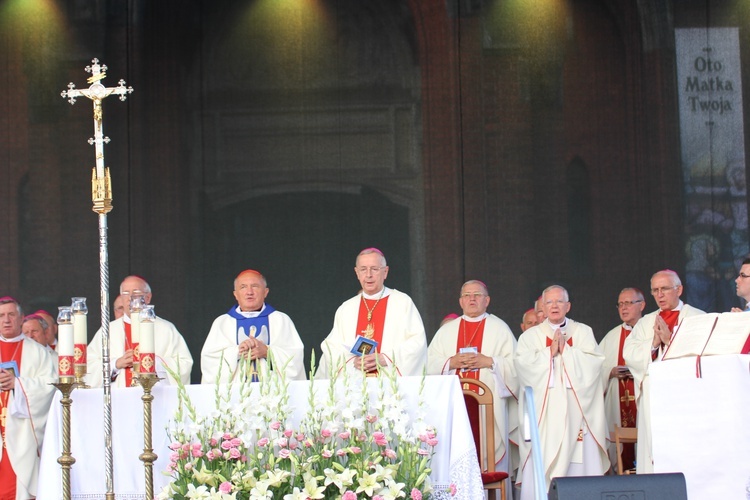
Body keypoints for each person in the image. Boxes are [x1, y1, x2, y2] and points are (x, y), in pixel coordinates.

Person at [514, 285, 608, 499]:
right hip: (545, 412)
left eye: (559, 302)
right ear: (542, 308)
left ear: (568, 306)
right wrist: (550, 353)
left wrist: (567, 351)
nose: (554, 306)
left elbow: (595, 364)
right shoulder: (531, 337)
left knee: (580, 459)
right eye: (549, 302)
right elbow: (523, 367)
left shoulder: (583, 332)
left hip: (577, 408)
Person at [427, 280, 519, 483]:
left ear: (487, 300)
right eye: (467, 295)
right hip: (454, 409)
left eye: (477, 295)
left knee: (490, 458)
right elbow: (427, 364)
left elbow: (516, 367)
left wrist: (490, 362)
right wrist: (451, 362)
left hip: (490, 413)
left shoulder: (499, 329)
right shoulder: (447, 331)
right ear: (460, 301)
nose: (472, 299)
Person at [623, 269, 705, 474]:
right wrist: (653, 344)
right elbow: (630, 353)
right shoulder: (645, 323)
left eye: (665, 289)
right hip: (655, 394)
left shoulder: (697, 318)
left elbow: (703, 356)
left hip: (687, 395)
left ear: (679, 289)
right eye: (655, 290)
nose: (659, 295)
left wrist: (670, 342)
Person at [315, 248, 427, 378]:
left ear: (385, 272)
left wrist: (386, 358)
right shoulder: (346, 308)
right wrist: (351, 362)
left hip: (390, 384)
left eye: (374, 269)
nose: (368, 275)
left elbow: (417, 343)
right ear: (357, 273)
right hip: (355, 384)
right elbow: (331, 348)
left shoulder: (402, 302)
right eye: (363, 269)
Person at [85, 276, 193, 388]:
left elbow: (184, 364)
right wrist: (115, 364)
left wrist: (153, 361)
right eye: (125, 293)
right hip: (119, 400)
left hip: (156, 398)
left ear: (148, 297)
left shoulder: (166, 328)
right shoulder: (108, 331)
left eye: (136, 292)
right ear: (121, 298)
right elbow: (89, 366)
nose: (130, 297)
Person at [201, 269, 305, 384]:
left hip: (273, 393)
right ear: (235, 294)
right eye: (243, 287)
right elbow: (210, 362)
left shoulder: (281, 320)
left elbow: (295, 359)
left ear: (265, 292)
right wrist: (239, 351)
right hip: (234, 396)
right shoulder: (222, 323)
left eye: (255, 286)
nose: (249, 292)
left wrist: (267, 351)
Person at [0, 296, 57, 500]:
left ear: (21, 318)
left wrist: (18, 384)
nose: (6, 320)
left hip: (23, 433)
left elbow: (49, 387)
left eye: (11, 315)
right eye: (1, 316)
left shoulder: (38, 353)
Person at [598, 288, 645, 472]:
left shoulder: (649, 330)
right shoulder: (611, 337)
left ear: (642, 305)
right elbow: (595, 369)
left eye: (628, 303)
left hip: (642, 400)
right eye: (620, 304)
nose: (623, 308)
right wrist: (610, 371)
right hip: (617, 404)